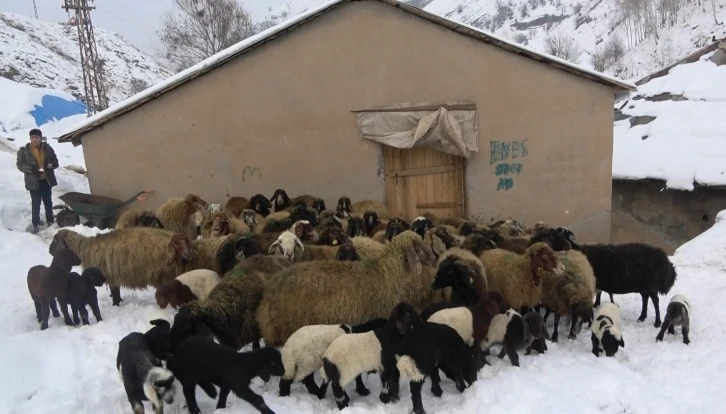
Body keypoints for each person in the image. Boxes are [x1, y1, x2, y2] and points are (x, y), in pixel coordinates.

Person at [16, 128, 59, 234]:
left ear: (41, 138)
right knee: (36, 203)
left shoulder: (48, 148)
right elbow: (20, 165)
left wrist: (52, 165)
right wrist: (33, 169)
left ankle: (50, 220)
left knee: (48, 201)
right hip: (34, 182)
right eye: (32, 137)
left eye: (36, 137)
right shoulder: (24, 150)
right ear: (30, 138)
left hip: (46, 180)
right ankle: (35, 224)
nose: (34, 139)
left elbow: (55, 161)